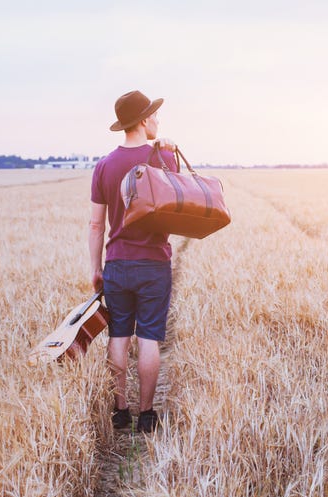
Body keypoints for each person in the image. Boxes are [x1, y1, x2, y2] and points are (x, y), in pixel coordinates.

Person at [88, 90, 178, 433]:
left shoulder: (104, 166)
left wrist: (96, 269)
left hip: (117, 265)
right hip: (154, 263)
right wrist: (169, 152)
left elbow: (96, 225)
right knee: (149, 338)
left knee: (119, 336)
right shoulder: (163, 159)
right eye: (154, 114)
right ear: (143, 120)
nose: (157, 120)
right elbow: (181, 203)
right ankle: (147, 415)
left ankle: (120, 411)